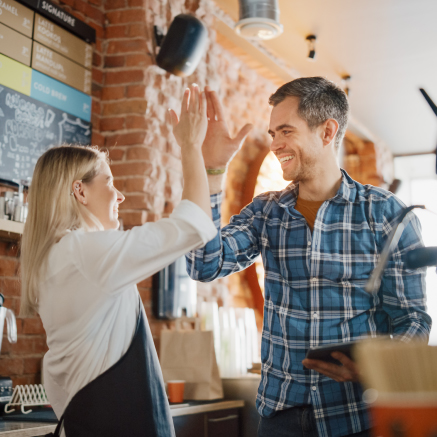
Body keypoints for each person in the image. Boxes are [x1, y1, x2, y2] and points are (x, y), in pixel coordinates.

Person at [186, 77, 431, 437]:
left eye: (285, 131)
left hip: (357, 417)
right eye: (272, 134)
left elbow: (411, 320)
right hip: (279, 418)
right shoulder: (265, 212)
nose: (275, 145)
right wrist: (212, 170)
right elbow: (204, 263)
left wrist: (374, 367)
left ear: (327, 131)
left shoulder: (387, 215)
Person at [20, 84, 215, 437]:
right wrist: (191, 147)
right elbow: (193, 225)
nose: (120, 194)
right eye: (109, 182)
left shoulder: (59, 258)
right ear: (79, 191)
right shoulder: (84, 253)